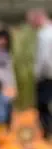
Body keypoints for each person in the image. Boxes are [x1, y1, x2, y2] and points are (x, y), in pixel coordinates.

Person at [29, 9, 52, 139]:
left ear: (38, 19)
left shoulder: (43, 34)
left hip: (46, 75)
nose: (32, 25)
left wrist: (39, 75)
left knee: (43, 104)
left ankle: (47, 131)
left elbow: (44, 58)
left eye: (32, 22)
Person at [0, 29, 16, 128]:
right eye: (1, 39)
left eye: (5, 39)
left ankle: (6, 130)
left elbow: (10, 71)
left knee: (8, 108)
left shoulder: (7, 53)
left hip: (8, 84)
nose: (3, 41)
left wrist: (14, 85)